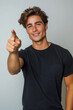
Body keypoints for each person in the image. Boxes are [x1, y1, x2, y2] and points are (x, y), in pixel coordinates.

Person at [6, 6, 73, 110]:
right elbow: (13, 70)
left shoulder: (63, 54)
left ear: (45, 26)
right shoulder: (24, 54)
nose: (34, 29)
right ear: (27, 30)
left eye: (38, 24)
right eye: (29, 26)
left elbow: (71, 87)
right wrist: (13, 52)